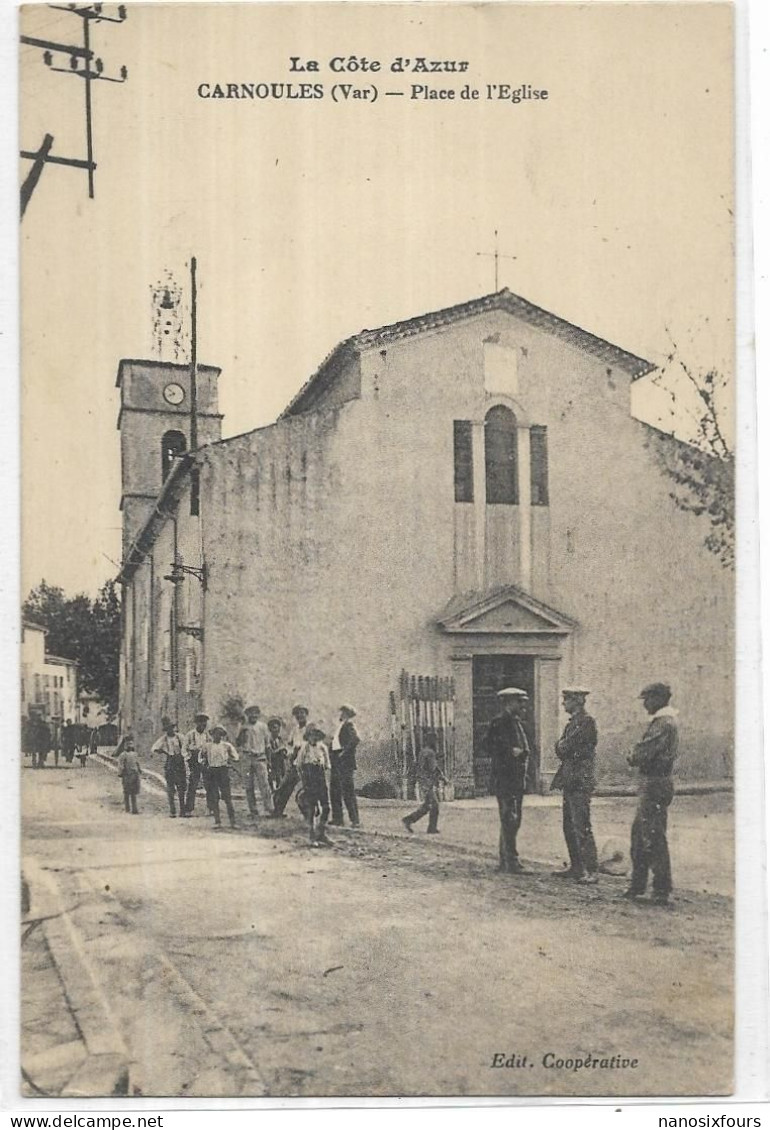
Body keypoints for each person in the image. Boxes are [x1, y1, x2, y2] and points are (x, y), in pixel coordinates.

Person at [623, 682, 679, 906]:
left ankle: (661, 889)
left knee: (653, 835)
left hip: (655, 782)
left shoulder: (663, 722)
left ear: (658, 699)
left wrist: (632, 754)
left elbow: (641, 753)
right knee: (640, 834)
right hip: (653, 781)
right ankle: (639, 885)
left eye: (647, 699)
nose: (645, 704)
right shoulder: (664, 721)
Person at [551, 687, 599, 884]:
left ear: (577, 701)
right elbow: (561, 749)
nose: (563, 703)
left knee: (581, 825)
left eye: (567, 700)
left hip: (580, 779)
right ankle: (577, 867)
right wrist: (562, 746)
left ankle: (591, 870)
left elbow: (565, 747)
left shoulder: (586, 722)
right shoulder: (573, 723)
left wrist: (562, 745)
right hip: (570, 779)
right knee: (569, 825)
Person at [487, 687, 532, 874]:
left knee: (512, 819)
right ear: (508, 703)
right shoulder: (499, 723)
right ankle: (509, 861)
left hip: (516, 778)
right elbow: (487, 745)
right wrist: (509, 752)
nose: (522, 705)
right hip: (506, 778)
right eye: (518, 701)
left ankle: (507, 859)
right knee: (509, 818)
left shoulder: (516, 722)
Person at [402, 732, 446, 834]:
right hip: (427, 782)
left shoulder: (423, 752)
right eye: (435, 741)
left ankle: (409, 820)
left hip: (422, 781)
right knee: (434, 805)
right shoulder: (430, 753)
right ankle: (431, 828)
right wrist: (442, 778)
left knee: (427, 806)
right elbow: (432, 768)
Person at [297, 723, 332, 847]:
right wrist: (304, 781)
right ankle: (312, 836)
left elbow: (327, 766)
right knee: (312, 809)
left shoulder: (323, 748)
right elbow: (299, 765)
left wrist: (323, 780)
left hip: (320, 778)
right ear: (308, 735)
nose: (314, 737)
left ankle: (321, 832)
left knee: (326, 807)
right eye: (312, 734)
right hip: (309, 779)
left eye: (317, 734)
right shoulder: (304, 748)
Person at [237, 705, 274, 819]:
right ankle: (253, 810)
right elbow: (238, 743)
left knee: (264, 784)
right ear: (247, 715)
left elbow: (268, 745)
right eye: (250, 713)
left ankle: (269, 809)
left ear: (258, 714)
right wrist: (242, 731)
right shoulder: (243, 727)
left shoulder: (263, 727)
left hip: (260, 757)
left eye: (255, 713)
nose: (253, 715)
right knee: (249, 785)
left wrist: (269, 760)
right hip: (247, 758)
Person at [272, 704, 309, 816]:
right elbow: (289, 744)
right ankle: (278, 812)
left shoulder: (310, 728)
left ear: (306, 714)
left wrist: (299, 748)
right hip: (294, 762)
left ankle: (309, 814)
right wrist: (286, 752)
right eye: (297, 713)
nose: (299, 715)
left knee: (304, 790)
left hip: (307, 763)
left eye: (302, 713)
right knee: (284, 787)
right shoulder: (295, 730)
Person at [329, 705, 361, 827]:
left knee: (348, 791)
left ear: (348, 714)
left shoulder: (349, 725)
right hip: (337, 760)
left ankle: (355, 820)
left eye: (344, 712)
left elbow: (355, 740)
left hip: (345, 762)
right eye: (341, 712)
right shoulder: (340, 726)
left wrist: (344, 752)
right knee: (335, 790)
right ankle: (338, 819)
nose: (341, 714)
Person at [202, 725, 239, 829]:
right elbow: (201, 757)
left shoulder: (226, 745)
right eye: (215, 733)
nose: (217, 736)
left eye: (220, 734)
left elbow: (236, 757)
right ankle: (217, 821)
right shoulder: (207, 746)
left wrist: (229, 761)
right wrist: (205, 763)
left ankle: (233, 822)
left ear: (222, 735)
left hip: (223, 771)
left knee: (227, 797)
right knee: (214, 797)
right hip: (212, 771)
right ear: (212, 734)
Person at [152, 718, 188, 818]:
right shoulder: (163, 739)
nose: (170, 730)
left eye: (171, 728)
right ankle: (172, 811)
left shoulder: (180, 737)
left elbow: (187, 745)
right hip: (170, 763)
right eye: (168, 729)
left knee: (181, 787)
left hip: (179, 762)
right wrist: (163, 751)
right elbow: (154, 748)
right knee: (171, 788)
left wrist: (183, 754)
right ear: (166, 730)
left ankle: (182, 810)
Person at [183, 712, 211, 815]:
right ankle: (189, 809)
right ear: (196, 723)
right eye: (201, 722)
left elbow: (211, 747)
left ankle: (210, 808)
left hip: (205, 761)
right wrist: (189, 759)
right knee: (193, 785)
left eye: (205, 722)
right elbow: (184, 749)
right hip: (194, 761)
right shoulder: (190, 735)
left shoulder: (207, 735)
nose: (203, 724)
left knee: (209, 784)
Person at [116, 734, 141, 815]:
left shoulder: (135, 754)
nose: (130, 746)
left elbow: (137, 763)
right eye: (128, 744)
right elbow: (121, 765)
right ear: (125, 746)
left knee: (133, 792)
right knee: (127, 792)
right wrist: (120, 772)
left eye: (131, 744)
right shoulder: (123, 755)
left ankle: (134, 808)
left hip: (134, 775)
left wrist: (139, 770)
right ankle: (127, 808)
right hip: (127, 774)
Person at [267, 716, 289, 796]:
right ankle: (274, 792)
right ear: (270, 729)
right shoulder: (268, 739)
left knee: (282, 777)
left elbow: (285, 749)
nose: (276, 730)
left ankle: (280, 792)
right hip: (272, 762)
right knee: (272, 778)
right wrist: (279, 750)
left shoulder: (280, 739)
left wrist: (284, 751)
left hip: (280, 762)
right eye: (273, 728)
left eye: (277, 728)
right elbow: (269, 752)